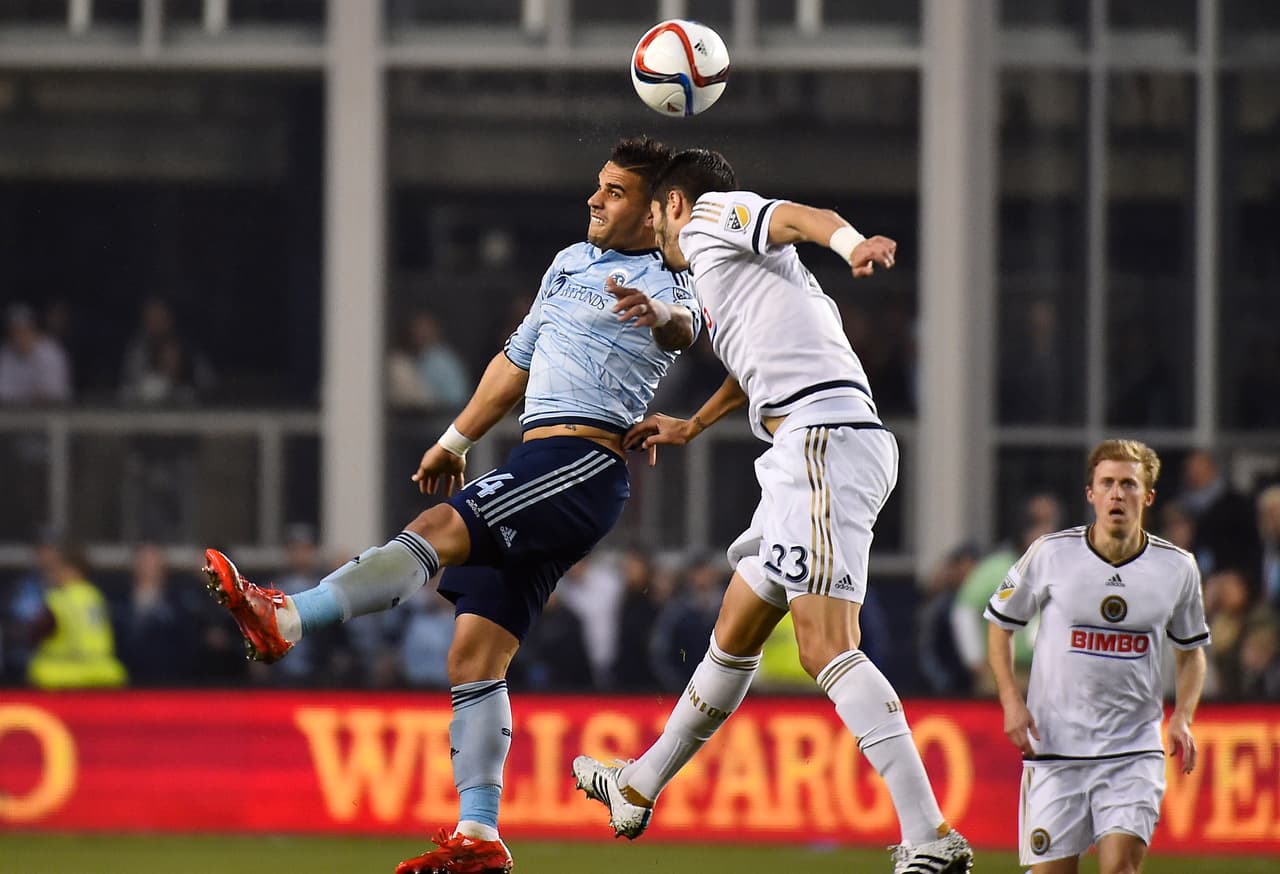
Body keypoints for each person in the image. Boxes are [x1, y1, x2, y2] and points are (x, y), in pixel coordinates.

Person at [200, 135, 698, 874]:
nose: (594, 199)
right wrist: (456, 436)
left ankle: (286, 619)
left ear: (657, 212)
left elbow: (685, 328)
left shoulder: (675, 272)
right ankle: (480, 835)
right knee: (474, 654)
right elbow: (514, 361)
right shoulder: (568, 263)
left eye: (615, 192)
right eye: (598, 185)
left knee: (437, 528)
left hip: (585, 462)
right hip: (538, 455)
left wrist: (656, 311)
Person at [570, 149, 972, 874]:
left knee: (827, 647)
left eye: (657, 210)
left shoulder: (712, 219)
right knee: (737, 624)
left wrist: (852, 245)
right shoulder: (735, 284)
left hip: (822, 446)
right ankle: (640, 782)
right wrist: (692, 424)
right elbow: (747, 362)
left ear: (673, 206)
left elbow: (799, 218)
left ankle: (930, 833)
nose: (658, 231)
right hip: (811, 450)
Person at [985, 439, 1209, 874]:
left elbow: (1192, 651)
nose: (1117, 494)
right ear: (1090, 494)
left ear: (1148, 496)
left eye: (1128, 484)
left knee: (1120, 868)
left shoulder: (1178, 567)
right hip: (1055, 748)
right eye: (1107, 483)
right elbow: (1000, 625)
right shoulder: (1050, 553)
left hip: (1133, 750)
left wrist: (1182, 715)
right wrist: (1011, 700)